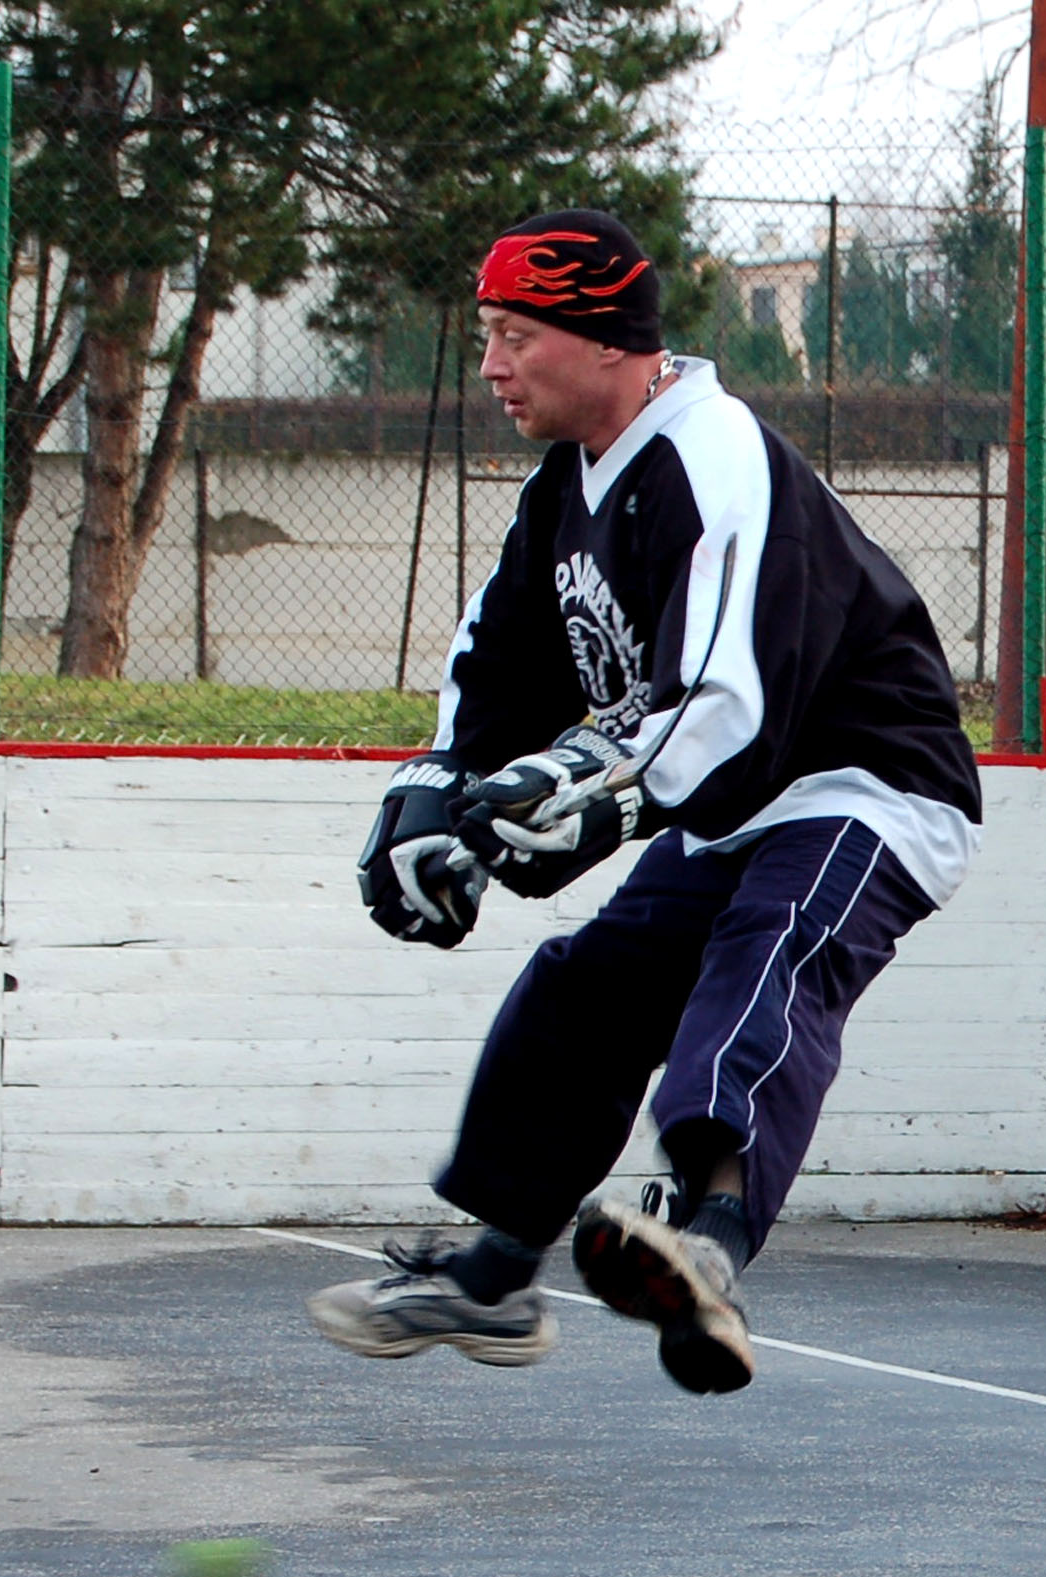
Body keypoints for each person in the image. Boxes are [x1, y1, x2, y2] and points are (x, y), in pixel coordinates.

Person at [307, 209, 982, 1395]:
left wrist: (589, 794)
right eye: (487, 335)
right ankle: (497, 1274)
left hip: (867, 783)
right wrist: (438, 791)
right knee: (590, 987)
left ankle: (708, 1243)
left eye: (516, 335)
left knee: (766, 950)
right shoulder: (565, 491)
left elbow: (723, 696)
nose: (492, 364)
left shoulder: (709, 455)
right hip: (733, 800)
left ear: (604, 336)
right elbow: (497, 670)